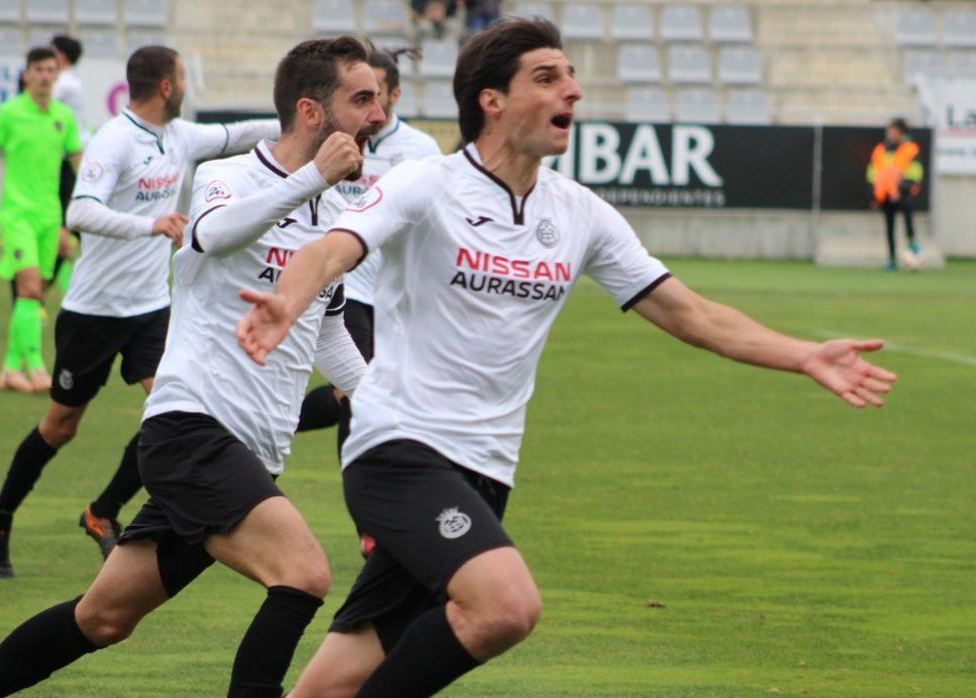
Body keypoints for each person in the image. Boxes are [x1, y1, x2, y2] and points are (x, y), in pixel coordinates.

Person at [237, 18, 896, 697]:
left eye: (572, 76)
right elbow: (329, 249)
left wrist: (806, 354)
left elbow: (690, 314)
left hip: (486, 471)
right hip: (399, 452)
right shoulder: (425, 184)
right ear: (491, 100)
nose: (574, 92)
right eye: (548, 78)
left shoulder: (581, 214)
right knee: (505, 607)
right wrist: (290, 300)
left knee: (335, 682)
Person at [0, 35, 383, 696]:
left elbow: (328, 332)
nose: (377, 115)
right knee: (303, 575)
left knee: (101, 619)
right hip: (192, 432)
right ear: (311, 112)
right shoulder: (229, 178)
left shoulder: (338, 213)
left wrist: (388, 407)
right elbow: (212, 234)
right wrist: (312, 178)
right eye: (362, 99)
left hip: (249, 453)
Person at [0, 45, 283, 579]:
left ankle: (103, 510)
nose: (186, 85)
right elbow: (81, 211)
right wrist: (151, 225)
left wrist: (303, 120)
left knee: (172, 411)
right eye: (182, 77)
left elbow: (242, 133)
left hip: (152, 309)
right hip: (93, 311)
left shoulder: (181, 137)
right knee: (61, 425)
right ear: (166, 86)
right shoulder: (113, 140)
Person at [296, 46, 441, 482]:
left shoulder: (420, 149)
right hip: (350, 288)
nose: (371, 104)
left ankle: (262, 417)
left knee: (371, 392)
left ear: (394, 93)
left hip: (396, 295)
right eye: (360, 95)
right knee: (354, 394)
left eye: (376, 93)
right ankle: (368, 521)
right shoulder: (329, 144)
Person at [0, 47, 82, 393]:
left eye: (49, 69)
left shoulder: (63, 117)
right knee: (28, 289)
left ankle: (10, 369)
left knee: (35, 293)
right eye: (38, 69)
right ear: (26, 75)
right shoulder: (10, 113)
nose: (44, 75)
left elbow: (78, 162)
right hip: (17, 215)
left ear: (56, 75)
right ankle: (38, 369)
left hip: (50, 216)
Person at [51, 33, 87, 293]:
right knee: (70, 224)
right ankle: (66, 272)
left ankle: (62, 271)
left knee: (67, 221)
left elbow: (39, 100)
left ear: (60, 56)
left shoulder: (63, 83)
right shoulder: (74, 81)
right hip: (72, 155)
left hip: (67, 159)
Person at [866, 117, 922, 271]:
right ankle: (892, 259)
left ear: (901, 133)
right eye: (888, 131)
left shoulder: (910, 149)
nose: (890, 134)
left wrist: (902, 188)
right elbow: (872, 173)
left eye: (893, 131)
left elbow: (916, 173)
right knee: (889, 227)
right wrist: (872, 195)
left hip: (902, 193)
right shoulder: (881, 150)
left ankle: (912, 244)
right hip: (885, 195)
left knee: (908, 215)